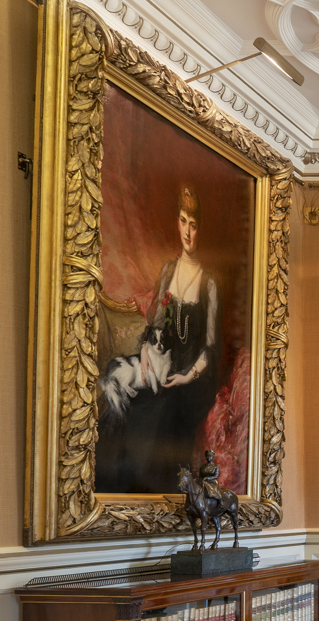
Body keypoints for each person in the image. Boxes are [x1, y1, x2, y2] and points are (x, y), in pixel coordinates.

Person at [96, 185, 223, 494]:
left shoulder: (209, 284)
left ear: (200, 229)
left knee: (161, 415)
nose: (188, 232)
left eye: (193, 225)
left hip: (192, 379)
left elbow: (209, 349)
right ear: (177, 222)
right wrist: (143, 361)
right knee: (122, 405)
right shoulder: (168, 270)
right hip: (161, 366)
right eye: (183, 221)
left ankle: (148, 496)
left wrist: (185, 377)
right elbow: (154, 324)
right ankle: (108, 494)